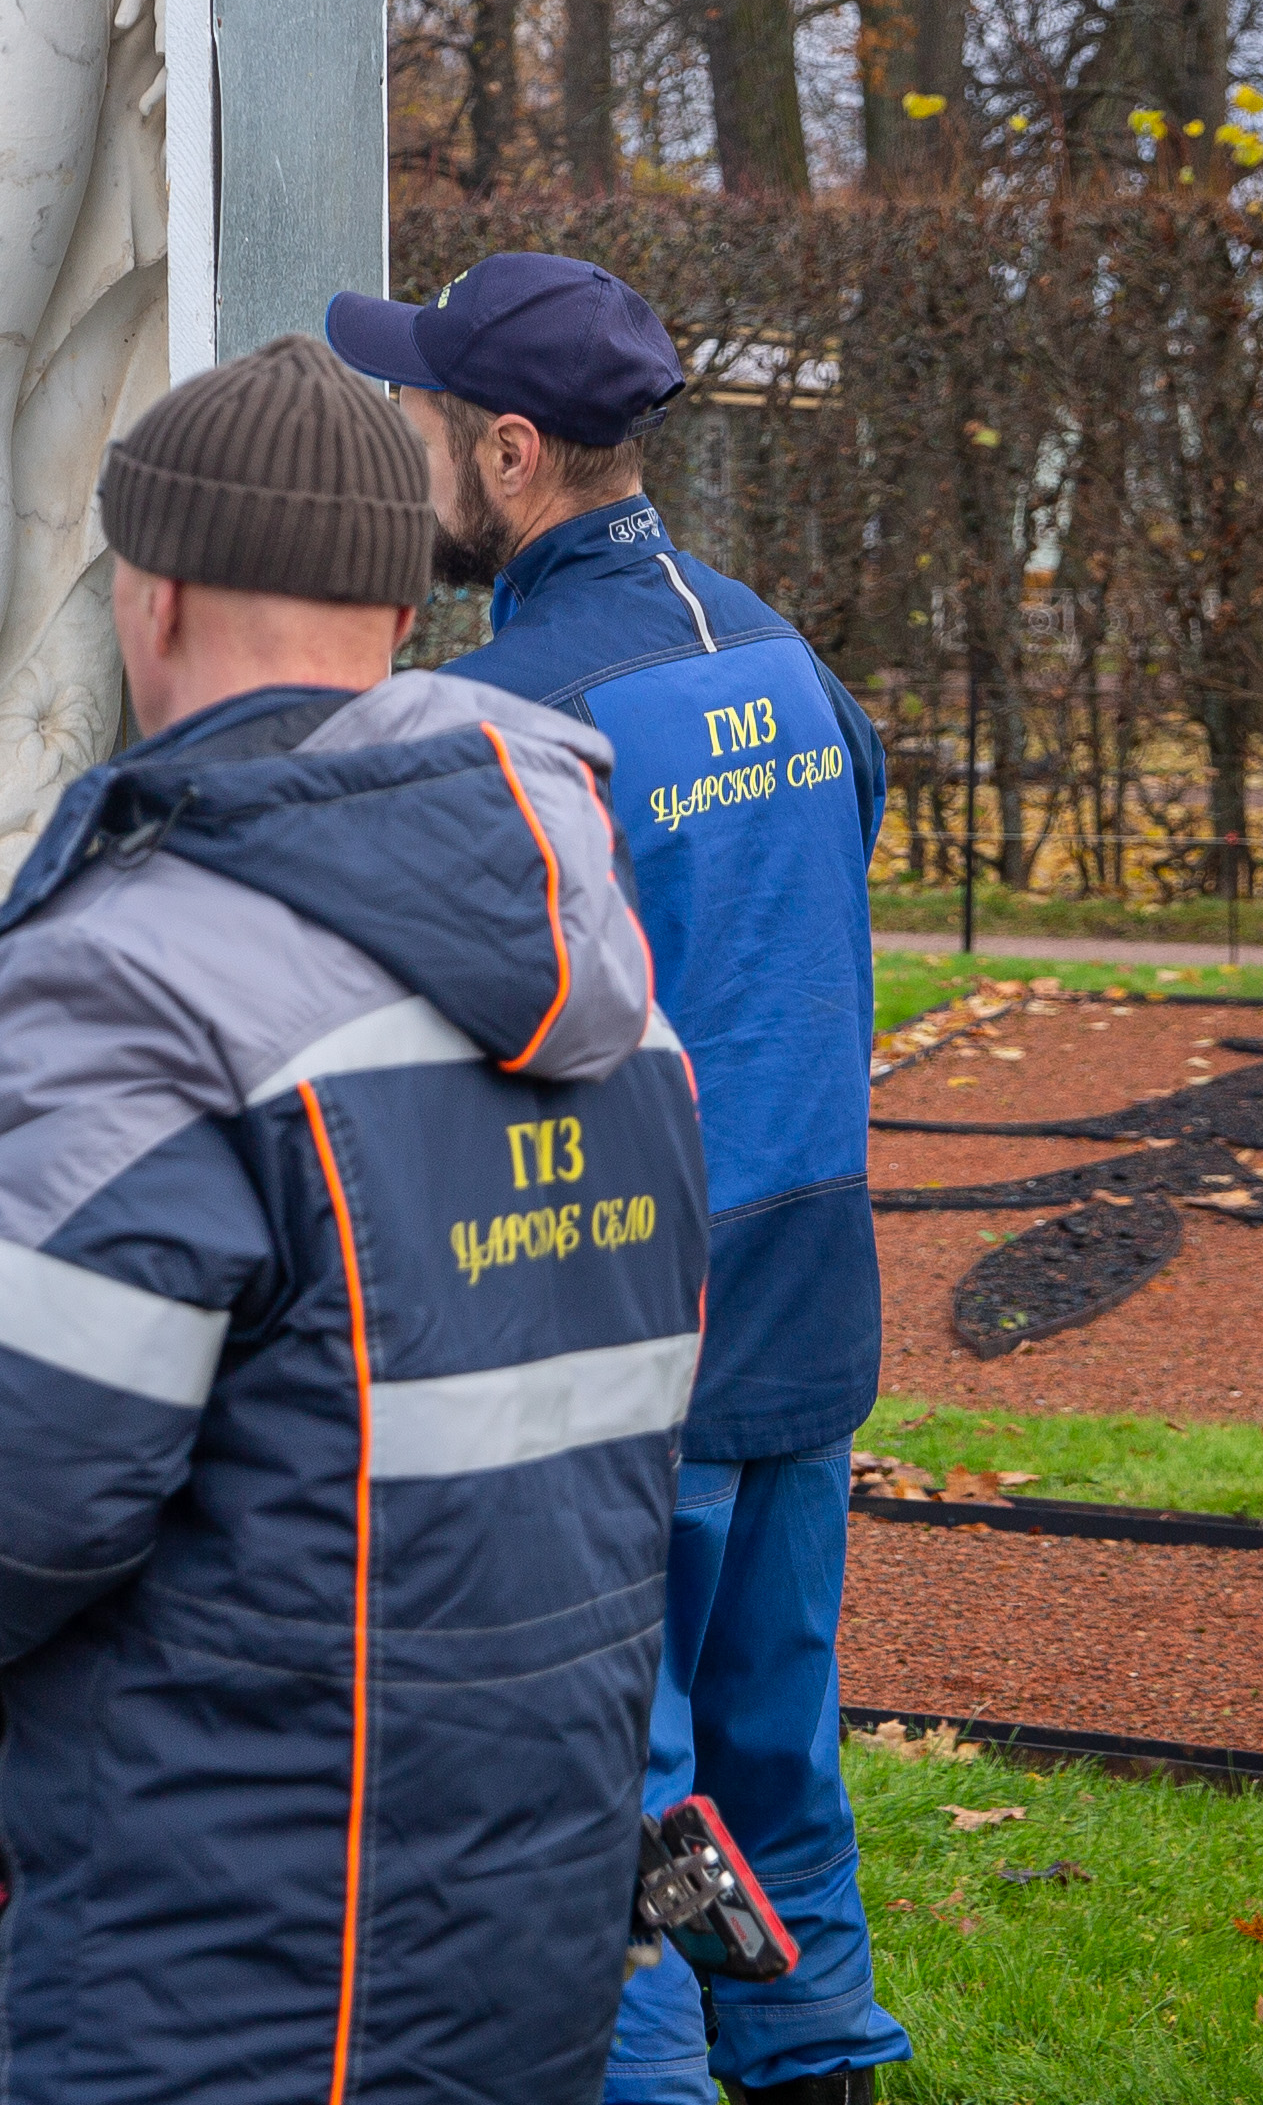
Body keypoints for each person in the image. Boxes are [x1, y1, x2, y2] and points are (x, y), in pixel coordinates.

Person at [0, 338, 704, 2102]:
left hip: (222, 1951)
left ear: (146, 601)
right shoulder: (603, 974)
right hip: (513, 1927)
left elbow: (6, 1474)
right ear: (401, 607)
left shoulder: (132, 981)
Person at [327, 248, 909, 2105]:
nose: (403, 444)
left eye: (421, 416)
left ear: (509, 454)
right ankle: (816, 2055)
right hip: (805, 1304)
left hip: (616, 1333)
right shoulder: (782, 661)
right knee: (774, 1749)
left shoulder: (506, 712)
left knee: (610, 1796)